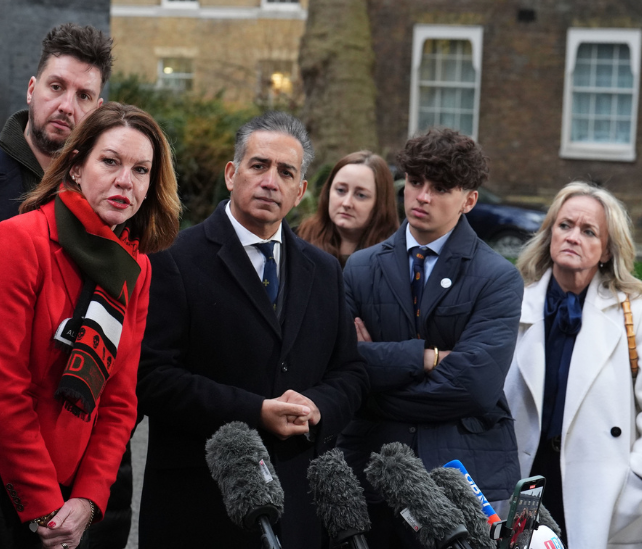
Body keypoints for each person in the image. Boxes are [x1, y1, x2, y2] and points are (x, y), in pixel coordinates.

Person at [0, 102, 180, 549]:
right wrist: (45, 503)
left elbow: (120, 401)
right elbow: (0, 388)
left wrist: (88, 499)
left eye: (142, 170)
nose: (126, 180)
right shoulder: (18, 239)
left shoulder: (135, 270)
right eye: (110, 161)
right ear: (77, 167)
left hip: (66, 504)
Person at [136, 111, 368, 549]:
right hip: (199, 508)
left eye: (285, 172)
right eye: (258, 165)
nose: (269, 181)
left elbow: (351, 374)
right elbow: (151, 378)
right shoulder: (174, 258)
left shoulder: (324, 270)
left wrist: (317, 408)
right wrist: (254, 410)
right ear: (231, 173)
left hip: (296, 511)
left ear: (300, 191)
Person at [338, 128, 523, 547]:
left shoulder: (499, 277)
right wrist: (428, 357)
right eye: (416, 182)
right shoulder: (360, 268)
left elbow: (474, 385)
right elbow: (343, 366)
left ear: (469, 200)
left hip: (464, 474)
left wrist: (376, 386)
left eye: (440, 188)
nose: (422, 196)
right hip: (374, 469)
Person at [505, 182, 642, 548]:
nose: (573, 237)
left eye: (589, 231)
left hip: (602, 488)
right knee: (521, 546)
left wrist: (640, 479)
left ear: (605, 250)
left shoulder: (632, 311)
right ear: (549, 232)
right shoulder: (514, 299)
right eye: (565, 225)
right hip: (525, 479)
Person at [296, 150, 399, 266]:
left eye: (361, 195)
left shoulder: (394, 257)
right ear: (328, 192)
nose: (347, 203)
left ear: (380, 203)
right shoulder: (297, 241)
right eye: (340, 190)